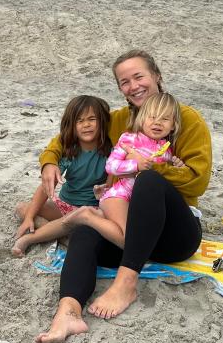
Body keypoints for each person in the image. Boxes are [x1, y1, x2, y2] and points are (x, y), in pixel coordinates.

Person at [34, 50, 212, 343]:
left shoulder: (185, 118)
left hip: (174, 237)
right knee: (84, 233)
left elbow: (199, 180)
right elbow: (69, 136)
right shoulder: (117, 121)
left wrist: (146, 166)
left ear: (156, 76)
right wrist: (50, 160)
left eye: (139, 76)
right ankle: (68, 313)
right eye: (124, 82)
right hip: (128, 234)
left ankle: (126, 283)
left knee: (149, 181)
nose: (134, 86)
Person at [67, 93, 185, 247]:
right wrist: (136, 166)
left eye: (164, 119)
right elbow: (111, 166)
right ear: (142, 119)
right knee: (127, 242)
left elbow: (165, 180)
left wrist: (178, 167)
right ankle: (86, 215)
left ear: (173, 125)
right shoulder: (129, 139)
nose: (158, 123)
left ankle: (98, 217)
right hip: (119, 197)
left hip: (137, 204)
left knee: (140, 237)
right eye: (152, 117)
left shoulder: (167, 150)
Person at [12, 95, 112, 257]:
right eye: (80, 121)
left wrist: (104, 189)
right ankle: (62, 235)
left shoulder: (110, 150)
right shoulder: (69, 152)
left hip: (91, 211)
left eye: (92, 119)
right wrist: (29, 217)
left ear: (102, 121)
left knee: (81, 221)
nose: (86, 125)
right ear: (72, 125)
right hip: (66, 205)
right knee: (23, 208)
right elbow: (46, 187)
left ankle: (33, 238)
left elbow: (113, 184)